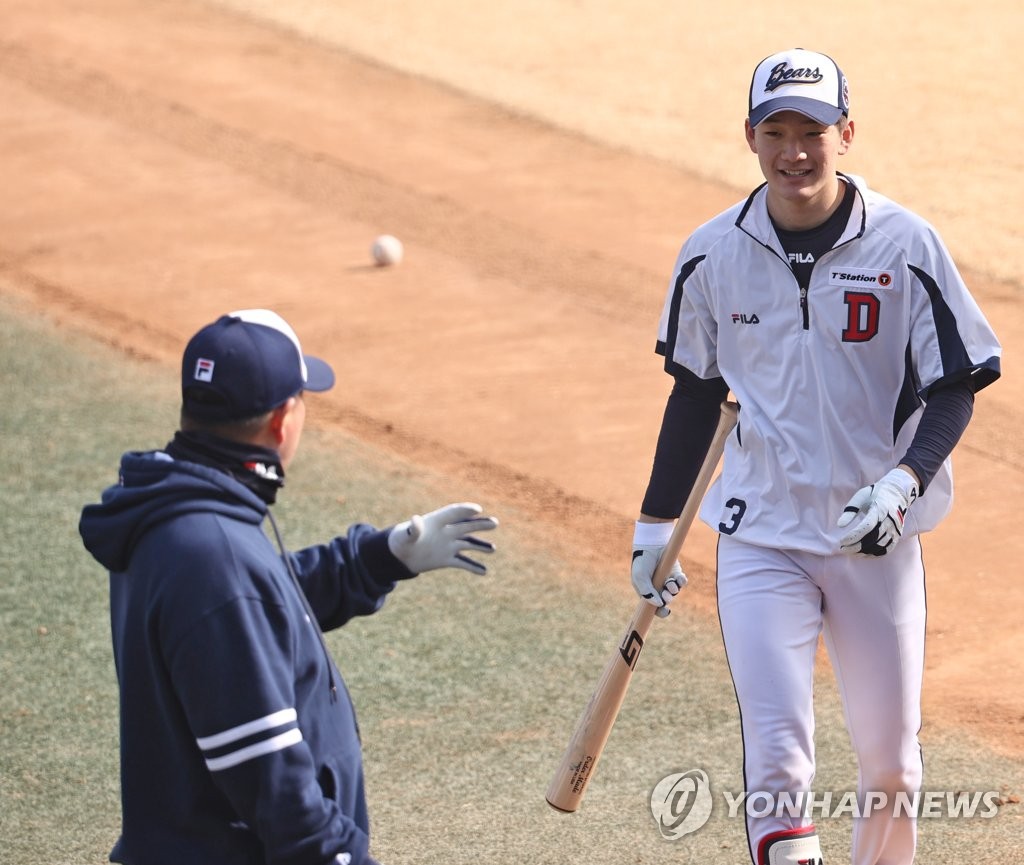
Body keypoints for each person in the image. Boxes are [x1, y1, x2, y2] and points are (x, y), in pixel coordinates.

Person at [629, 49, 1001, 865]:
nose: (795, 151)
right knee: (778, 762)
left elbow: (959, 381)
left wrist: (904, 483)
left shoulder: (907, 245)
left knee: (893, 768)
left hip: (877, 541)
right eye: (777, 132)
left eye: (813, 131)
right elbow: (696, 393)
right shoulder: (711, 254)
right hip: (762, 536)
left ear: (847, 133)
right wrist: (656, 525)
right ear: (751, 139)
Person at [79, 309, 498, 865]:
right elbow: (274, 788)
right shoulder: (213, 556)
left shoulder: (176, 511)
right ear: (282, 421)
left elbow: (258, 604)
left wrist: (375, 558)